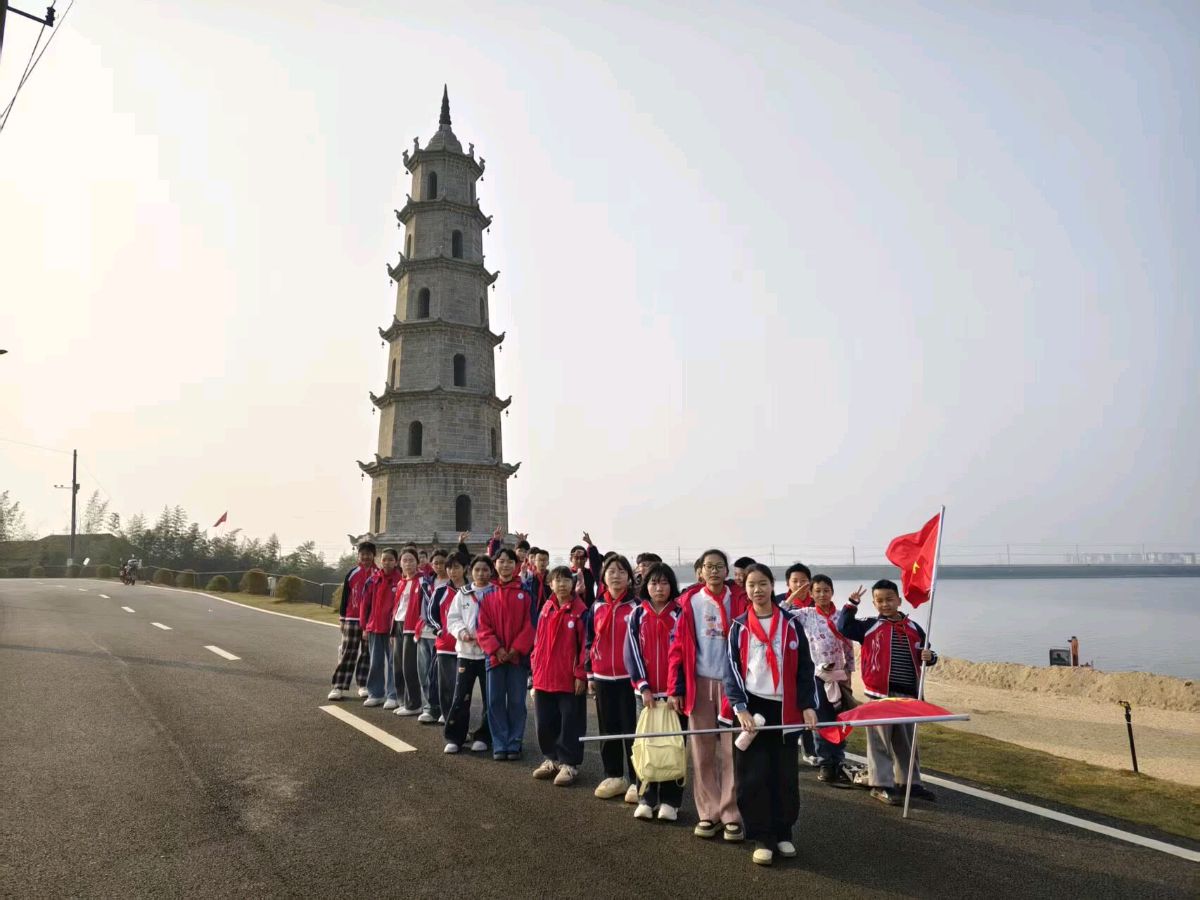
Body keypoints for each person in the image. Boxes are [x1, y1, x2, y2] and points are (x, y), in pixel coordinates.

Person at [725, 564, 817, 866]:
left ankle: (783, 832)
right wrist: (740, 707)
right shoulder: (739, 627)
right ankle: (762, 836)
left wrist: (808, 705)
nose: (758, 590)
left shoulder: (790, 624)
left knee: (784, 774)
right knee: (753, 775)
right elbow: (731, 671)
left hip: (786, 708)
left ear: (772, 586)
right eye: (751, 585)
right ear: (745, 589)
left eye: (763, 583)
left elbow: (805, 668)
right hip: (754, 709)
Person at [668, 548, 748, 843]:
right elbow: (677, 646)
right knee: (702, 751)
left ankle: (731, 814)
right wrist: (676, 687)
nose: (714, 571)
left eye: (719, 566)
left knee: (731, 751)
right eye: (708, 566)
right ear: (700, 571)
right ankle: (708, 812)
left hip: (732, 685)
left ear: (727, 571)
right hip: (699, 683)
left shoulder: (740, 599)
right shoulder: (690, 601)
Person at [836, 578, 938, 806]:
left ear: (899, 600)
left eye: (889, 599)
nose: (885, 604)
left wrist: (930, 657)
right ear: (874, 604)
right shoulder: (869, 625)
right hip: (879, 694)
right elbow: (843, 627)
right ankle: (880, 784)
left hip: (908, 696)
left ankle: (909, 783)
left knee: (907, 742)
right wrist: (851, 604)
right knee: (880, 741)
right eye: (879, 600)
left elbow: (927, 653)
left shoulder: (914, 628)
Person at [624, 561, 684, 821]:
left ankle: (671, 801)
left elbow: (684, 655)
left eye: (664, 582)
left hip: (674, 696)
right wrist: (643, 686)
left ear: (672, 585)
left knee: (673, 746)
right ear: (646, 586)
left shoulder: (681, 614)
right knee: (646, 744)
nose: (659, 588)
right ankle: (646, 798)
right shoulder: (637, 614)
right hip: (645, 695)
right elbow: (632, 653)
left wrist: (676, 689)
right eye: (654, 583)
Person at [791, 574, 861, 787]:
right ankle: (825, 764)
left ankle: (838, 761)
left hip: (839, 676)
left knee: (840, 720)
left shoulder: (841, 616)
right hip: (816, 677)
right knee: (821, 721)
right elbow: (781, 614)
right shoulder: (806, 614)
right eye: (817, 591)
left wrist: (849, 671)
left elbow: (848, 645)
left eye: (826, 590)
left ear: (832, 592)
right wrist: (794, 595)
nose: (822, 594)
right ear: (811, 594)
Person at [586, 553, 640, 804]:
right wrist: (589, 673)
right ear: (603, 577)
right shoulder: (596, 607)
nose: (616, 576)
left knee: (632, 729)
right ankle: (614, 775)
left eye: (621, 571)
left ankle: (637, 778)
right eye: (611, 571)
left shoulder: (637, 607)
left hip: (630, 679)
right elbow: (588, 641)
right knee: (608, 728)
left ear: (629, 577)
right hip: (602, 676)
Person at [530, 566, 589, 786]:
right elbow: (538, 642)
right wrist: (534, 671)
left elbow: (586, 646)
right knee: (544, 722)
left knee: (571, 722)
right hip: (544, 676)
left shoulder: (581, 611)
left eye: (566, 580)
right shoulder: (546, 608)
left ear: (573, 584)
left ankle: (569, 763)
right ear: (550, 584)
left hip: (568, 678)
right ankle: (551, 759)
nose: (562, 584)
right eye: (557, 580)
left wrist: (581, 674)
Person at [476, 547, 535, 760]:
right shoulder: (487, 593)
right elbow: (482, 627)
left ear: (516, 565)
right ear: (495, 564)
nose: (505, 565)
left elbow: (531, 625)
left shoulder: (526, 592)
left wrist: (515, 649)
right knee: (495, 701)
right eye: (501, 561)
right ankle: (500, 743)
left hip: (517, 658)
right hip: (495, 657)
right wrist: (497, 649)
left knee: (517, 702)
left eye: (510, 561)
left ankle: (514, 742)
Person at [443, 555, 495, 754]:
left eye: (485, 569)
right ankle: (455, 737)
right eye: (477, 570)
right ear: (470, 572)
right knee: (460, 697)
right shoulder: (462, 594)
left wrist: (489, 640)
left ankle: (483, 736)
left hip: (488, 655)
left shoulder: (496, 592)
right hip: (465, 653)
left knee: (489, 698)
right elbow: (453, 619)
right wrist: (462, 633)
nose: (481, 573)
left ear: (491, 571)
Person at [328, 540, 376, 701]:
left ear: (374, 555)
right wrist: (342, 618)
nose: (365, 557)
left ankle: (363, 685)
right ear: (358, 555)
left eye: (369, 554)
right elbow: (345, 597)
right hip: (352, 618)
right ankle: (338, 686)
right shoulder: (352, 573)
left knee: (367, 653)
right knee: (348, 652)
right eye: (363, 554)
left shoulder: (378, 574)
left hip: (371, 621)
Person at [424, 552, 466, 725]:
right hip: (445, 645)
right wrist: (439, 630)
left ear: (465, 568)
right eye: (449, 567)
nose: (452, 571)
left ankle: (458, 716)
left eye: (456, 567)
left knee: (461, 684)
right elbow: (430, 614)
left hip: (466, 647)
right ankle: (445, 712)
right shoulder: (441, 590)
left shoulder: (471, 590)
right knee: (445, 683)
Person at [359, 548, 402, 708]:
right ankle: (375, 694)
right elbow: (364, 605)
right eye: (384, 559)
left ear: (396, 562)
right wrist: (364, 626)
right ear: (379, 561)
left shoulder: (400, 580)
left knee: (393, 663)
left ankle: (393, 695)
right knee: (375, 662)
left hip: (393, 630)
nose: (387, 562)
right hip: (374, 627)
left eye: (390, 559)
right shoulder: (372, 580)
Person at [415, 548, 449, 723]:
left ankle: (443, 708)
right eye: (436, 563)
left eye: (443, 563)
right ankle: (429, 707)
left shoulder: (453, 583)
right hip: (425, 632)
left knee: (440, 675)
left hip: (443, 635)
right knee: (424, 672)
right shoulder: (426, 582)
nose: (439, 566)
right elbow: (420, 607)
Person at [394, 546, 428, 715]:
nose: (408, 564)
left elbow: (426, 606)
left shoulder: (423, 581)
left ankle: (414, 704)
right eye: (405, 560)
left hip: (412, 628)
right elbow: (397, 607)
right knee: (398, 666)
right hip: (399, 625)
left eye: (411, 560)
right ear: (400, 563)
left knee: (410, 667)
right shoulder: (401, 582)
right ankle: (403, 700)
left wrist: (419, 627)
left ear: (417, 563)